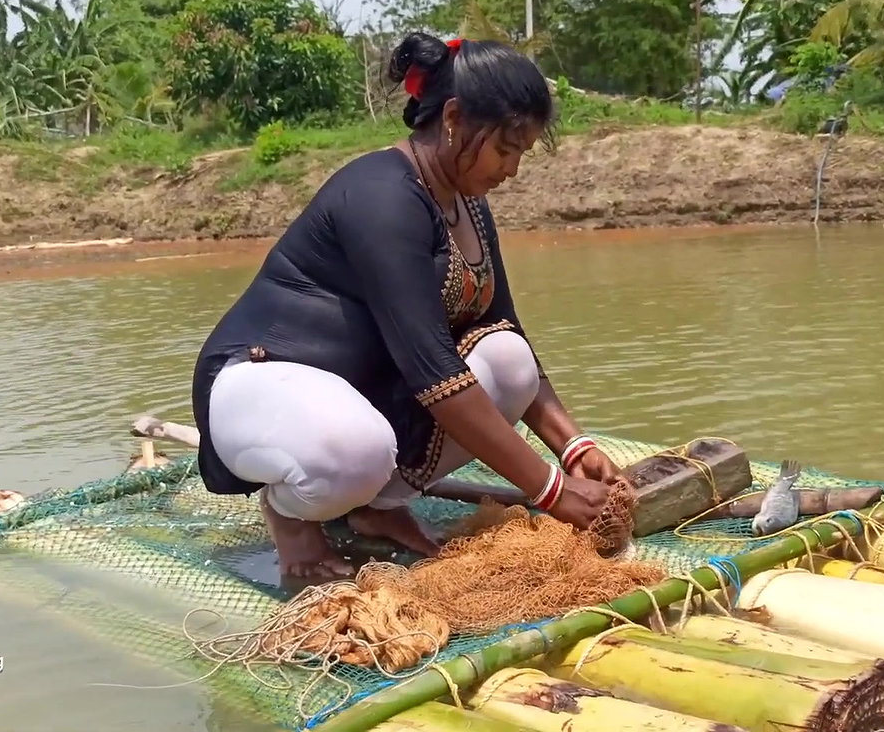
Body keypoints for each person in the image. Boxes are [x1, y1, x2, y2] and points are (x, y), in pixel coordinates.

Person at [190, 32, 626, 581]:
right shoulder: (382, 197)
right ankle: (291, 515)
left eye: (522, 153)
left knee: (509, 359)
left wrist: (573, 446)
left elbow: (501, 325)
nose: (512, 169)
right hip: (260, 382)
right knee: (353, 451)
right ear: (453, 118)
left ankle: (377, 506)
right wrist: (550, 489)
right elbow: (433, 373)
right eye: (505, 148)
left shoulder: (467, 202)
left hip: (359, 391)